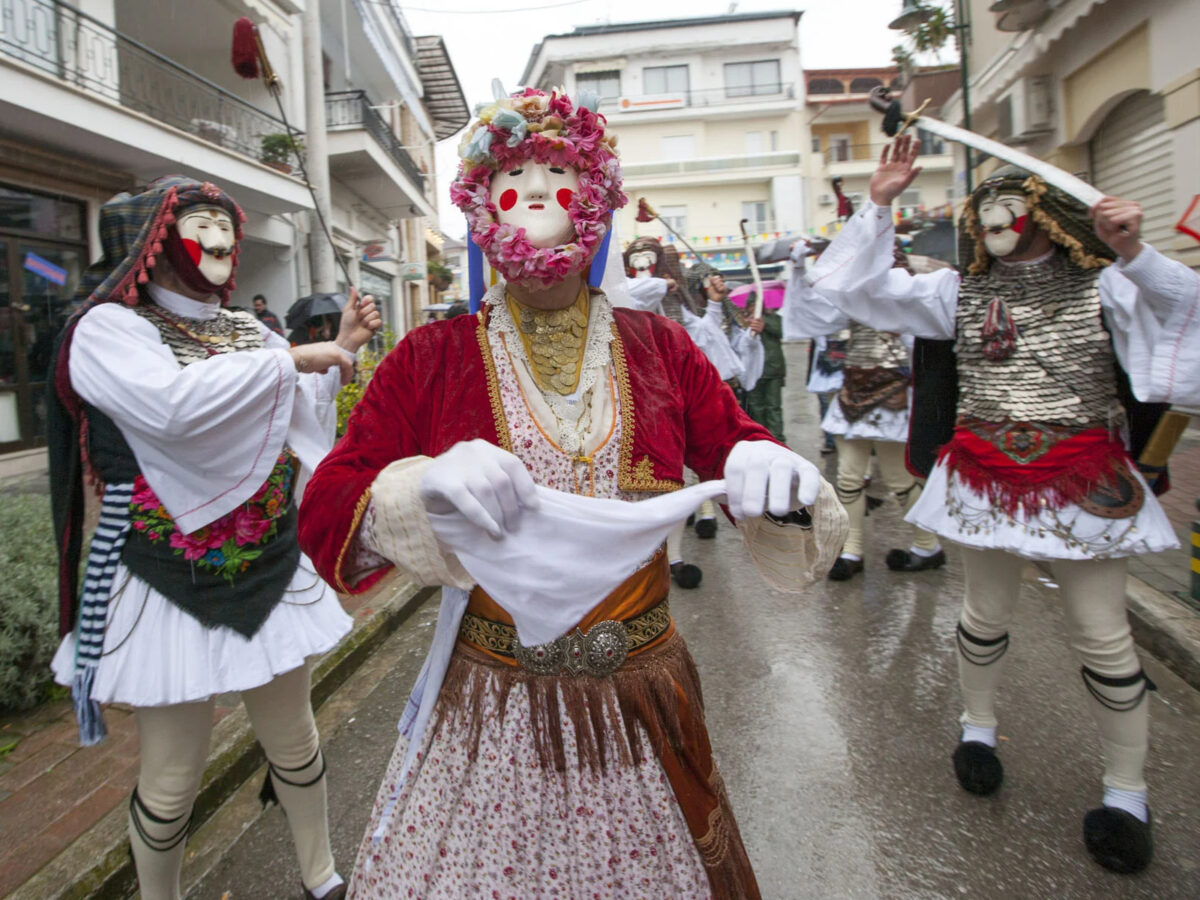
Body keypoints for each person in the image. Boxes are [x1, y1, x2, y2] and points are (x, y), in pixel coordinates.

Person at [298, 87, 847, 899]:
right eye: (516, 179)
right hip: (493, 699)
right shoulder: (431, 355)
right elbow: (330, 505)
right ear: (483, 208)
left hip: (644, 696)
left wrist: (773, 471)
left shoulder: (660, 347)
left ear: (595, 201)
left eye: (561, 175)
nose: (540, 196)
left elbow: (731, 443)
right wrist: (415, 485)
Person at [808, 134, 1200, 874]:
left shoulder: (1107, 285)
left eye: (1008, 203)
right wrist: (881, 203)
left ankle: (1126, 795)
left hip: (1082, 476)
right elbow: (854, 292)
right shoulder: (954, 291)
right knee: (983, 616)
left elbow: (1185, 310)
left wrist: (1136, 251)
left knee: (1101, 635)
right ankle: (977, 732)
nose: (992, 215)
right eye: (984, 205)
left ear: (1046, 215)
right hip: (985, 470)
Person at [46, 175, 381, 900]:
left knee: (295, 739)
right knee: (171, 778)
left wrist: (338, 353)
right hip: (168, 573)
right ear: (154, 240)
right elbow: (171, 411)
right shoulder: (109, 329)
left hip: (264, 561)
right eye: (201, 221)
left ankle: (321, 877)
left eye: (227, 221)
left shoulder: (248, 330)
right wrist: (289, 359)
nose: (224, 237)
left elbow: (291, 429)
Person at [791, 239, 945, 580]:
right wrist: (800, 269)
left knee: (899, 479)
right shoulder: (854, 300)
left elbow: (925, 350)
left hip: (892, 397)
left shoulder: (909, 300)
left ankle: (928, 544)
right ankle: (852, 551)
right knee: (847, 478)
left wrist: (917, 394)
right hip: (853, 394)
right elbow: (814, 315)